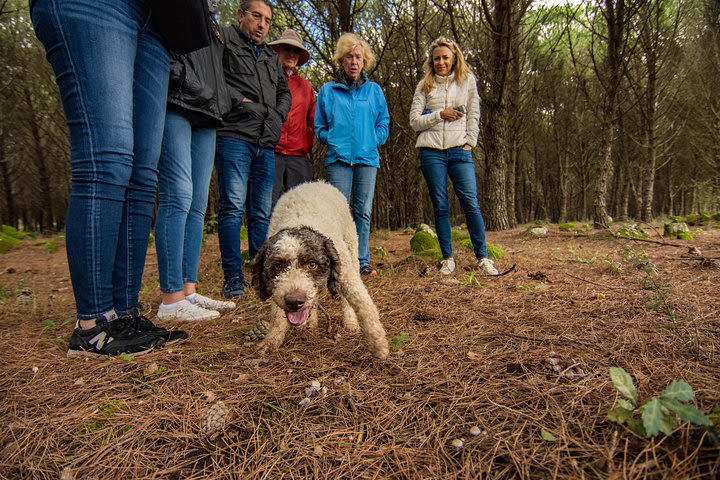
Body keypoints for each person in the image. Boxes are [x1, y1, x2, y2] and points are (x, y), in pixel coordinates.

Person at [30, 0, 187, 356]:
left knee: (143, 175)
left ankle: (123, 314)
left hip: (158, 22)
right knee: (108, 159)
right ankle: (93, 324)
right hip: (95, 7)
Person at [154, 0, 237, 321]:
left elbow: (215, 69)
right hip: (177, 101)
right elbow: (160, 46)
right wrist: (187, 82)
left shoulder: (213, 23)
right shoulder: (183, 8)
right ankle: (170, 298)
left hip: (208, 113)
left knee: (199, 202)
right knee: (179, 194)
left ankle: (188, 289)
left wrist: (223, 99)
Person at [216, 0, 291, 298]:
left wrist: (278, 114)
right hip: (234, 136)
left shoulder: (271, 58)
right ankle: (233, 279)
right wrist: (241, 103)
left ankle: (263, 277)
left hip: (266, 142)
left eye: (268, 20)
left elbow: (283, 91)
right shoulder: (224, 40)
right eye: (257, 17)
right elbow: (217, 81)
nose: (262, 24)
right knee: (232, 209)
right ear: (241, 15)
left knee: (261, 214)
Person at [409, 36, 498, 276]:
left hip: (460, 150)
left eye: (445, 57)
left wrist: (471, 141)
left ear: (454, 57)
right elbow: (415, 122)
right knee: (440, 205)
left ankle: (483, 258)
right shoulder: (424, 86)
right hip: (431, 152)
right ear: (431, 61)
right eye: (436, 58)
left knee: (470, 203)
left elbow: (474, 113)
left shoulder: (467, 81)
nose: (441, 62)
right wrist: (440, 114)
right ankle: (448, 258)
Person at [315, 33, 390, 276]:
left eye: (358, 57)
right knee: (337, 211)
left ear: (364, 61)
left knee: (363, 211)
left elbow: (384, 123)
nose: (354, 62)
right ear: (341, 61)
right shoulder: (327, 90)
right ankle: (338, 262)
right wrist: (332, 139)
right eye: (349, 57)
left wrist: (372, 141)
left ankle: (361, 260)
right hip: (338, 159)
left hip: (367, 159)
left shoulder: (374, 91)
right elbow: (319, 127)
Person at [268, 29, 316, 207]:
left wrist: (305, 139)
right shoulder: (268, 78)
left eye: (296, 51)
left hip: (298, 156)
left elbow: (312, 120)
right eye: (287, 48)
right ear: (278, 50)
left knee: (298, 208)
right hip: (271, 151)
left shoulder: (305, 86)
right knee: (268, 207)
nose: (291, 54)